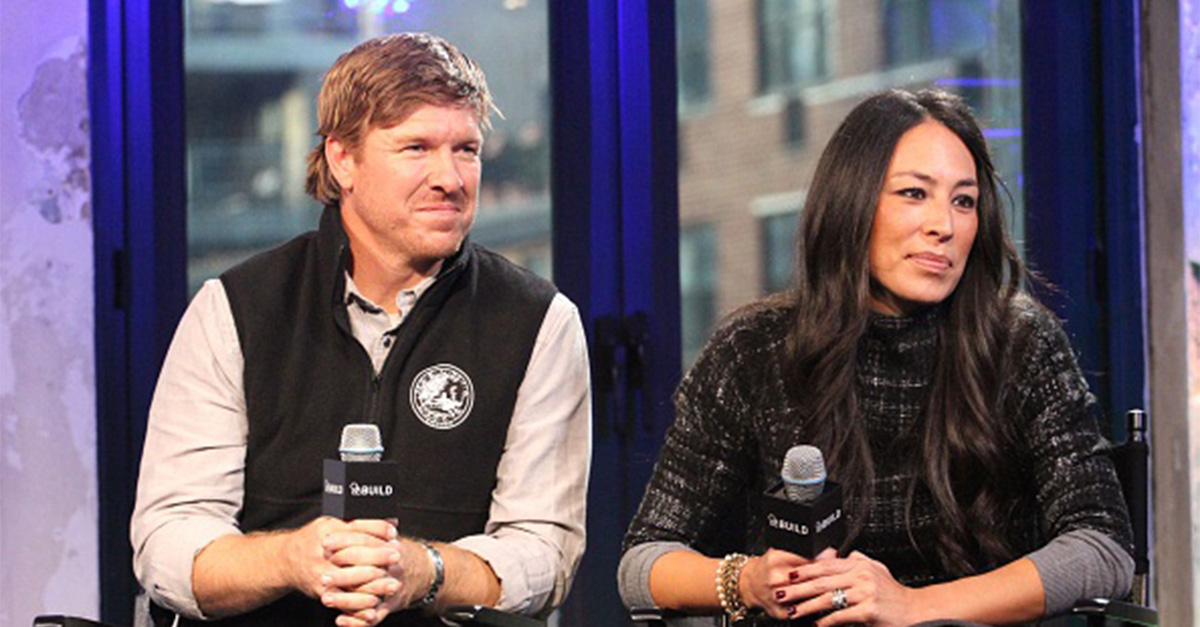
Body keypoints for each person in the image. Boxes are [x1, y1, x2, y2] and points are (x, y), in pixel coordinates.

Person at [618, 89, 1133, 626]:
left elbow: (1102, 547)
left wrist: (912, 606)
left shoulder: (1020, 343)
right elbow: (643, 561)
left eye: (964, 201)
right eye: (914, 193)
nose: (944, 225)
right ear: (852, 202)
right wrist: (747, 579)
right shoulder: (753, 350)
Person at [131, 33, 591, 627]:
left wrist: (422, 570)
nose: (450, 178)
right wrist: (293, 559)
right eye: (416, 148)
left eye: (466, 150)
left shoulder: (539, 322)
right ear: (343, 159)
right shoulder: (236, 310)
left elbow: (544, 554)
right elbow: (169, 544)